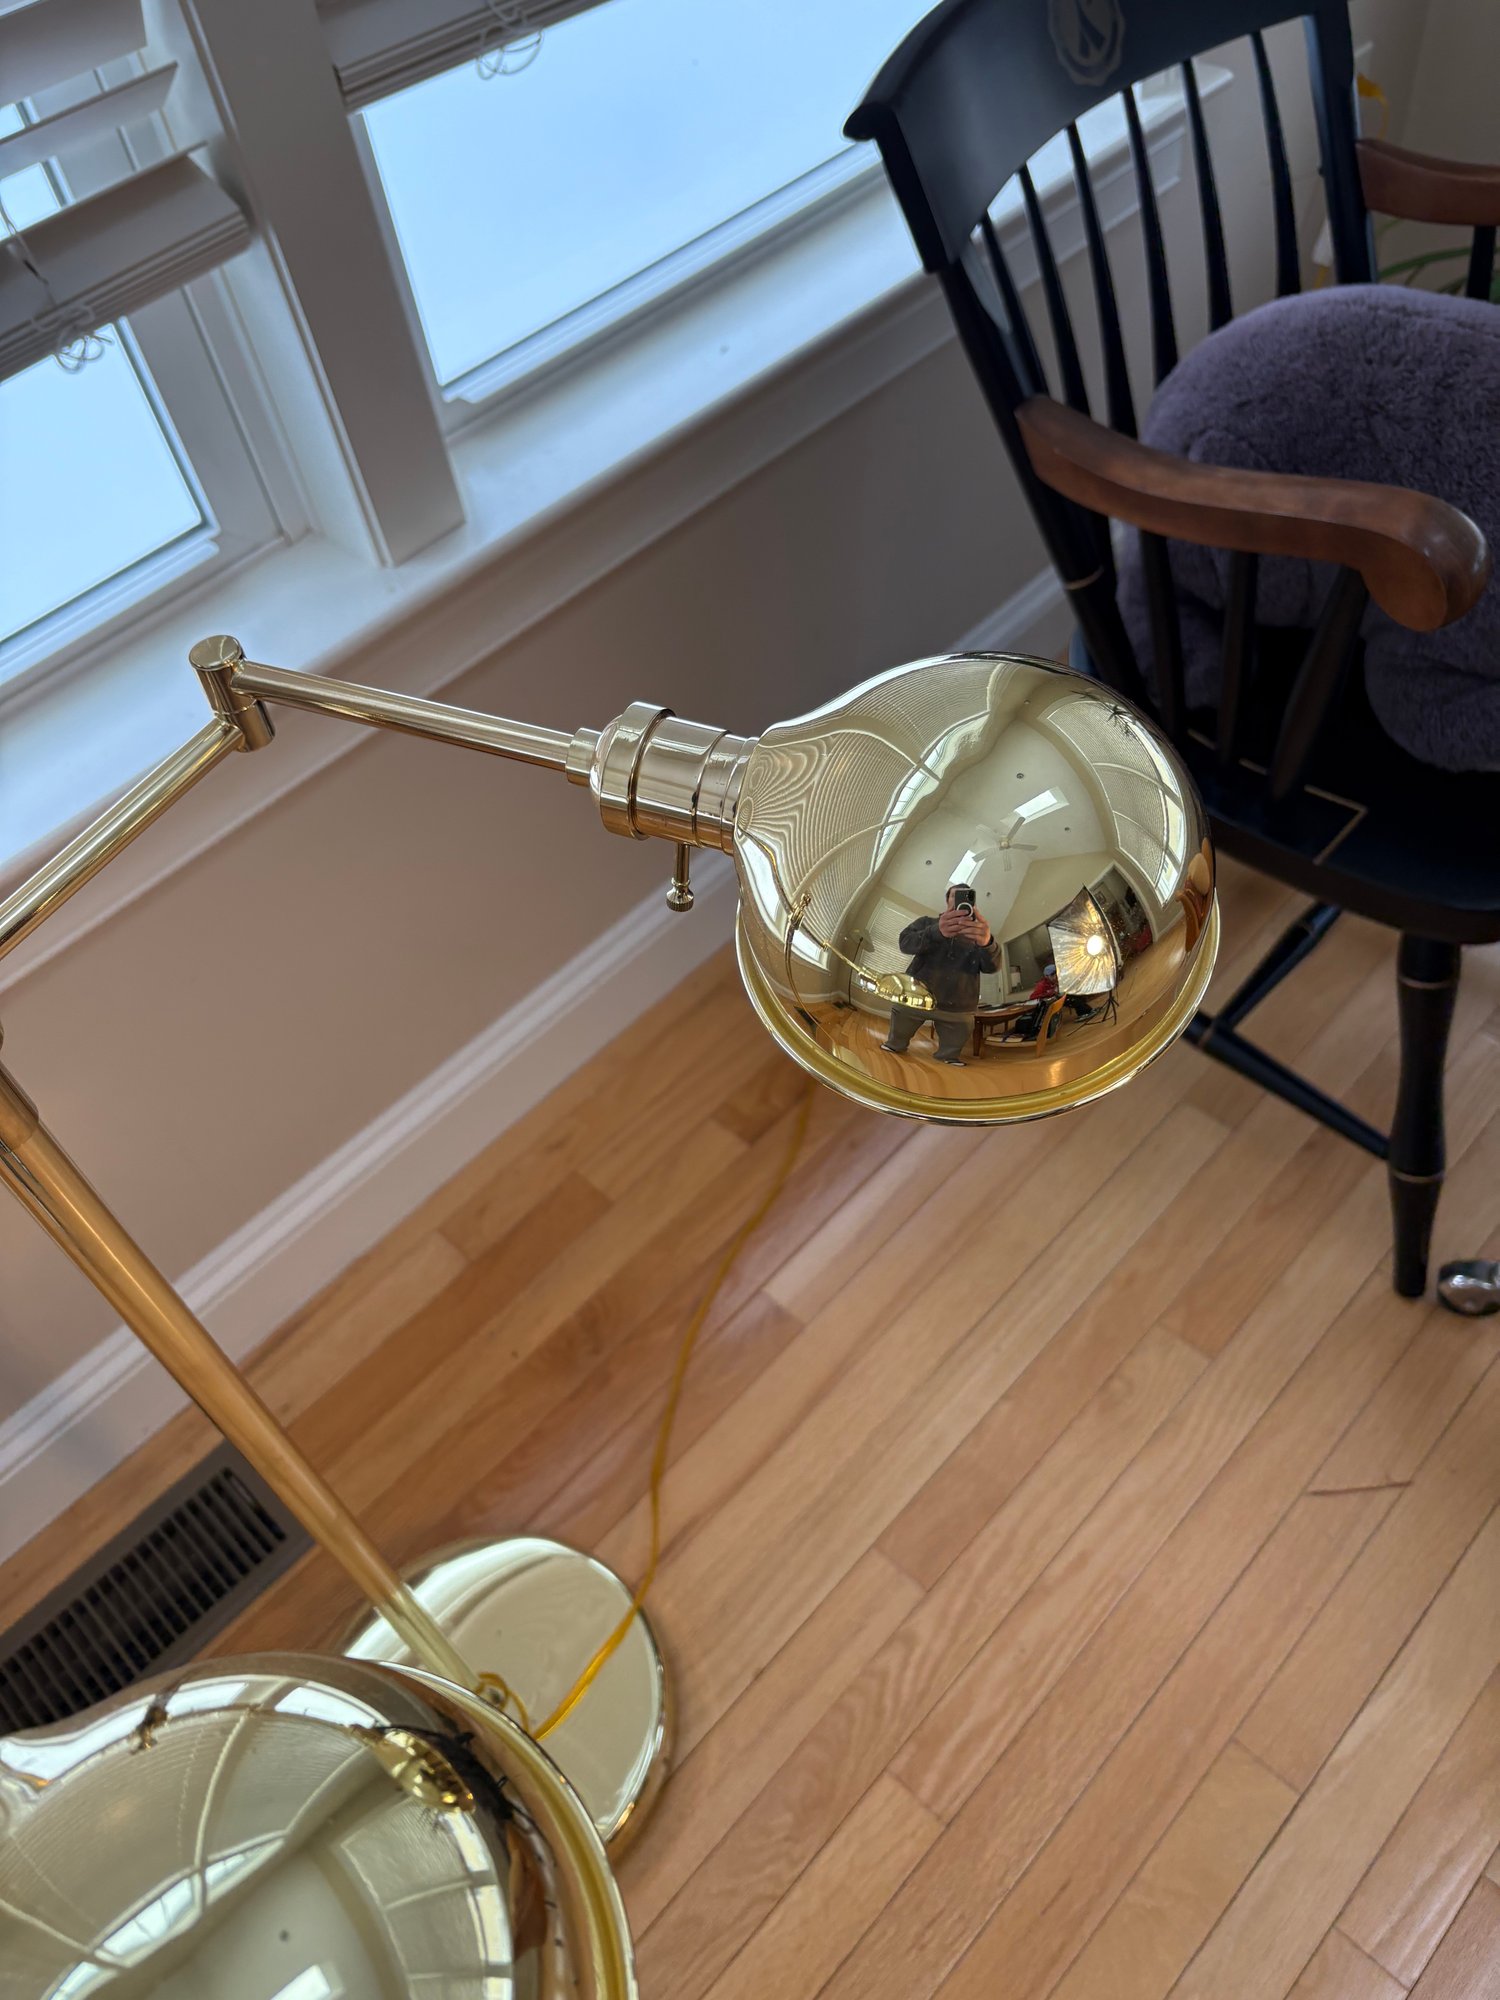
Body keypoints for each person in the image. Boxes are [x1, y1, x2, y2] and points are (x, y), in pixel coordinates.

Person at [881, 884, 998, 1065]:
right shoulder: (927, 923)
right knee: (896, 1040)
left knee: (951, 1053)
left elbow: (992, 967)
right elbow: (905, 943)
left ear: (973, 904)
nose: (959, 901)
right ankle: (896, 1044)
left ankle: (948, 1056)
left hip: (959, 1008)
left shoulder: (978, 933)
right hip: (916, 996)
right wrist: (936, 932)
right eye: (955, 896)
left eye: (967, 897)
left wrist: (988, 944)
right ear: (947, 901)